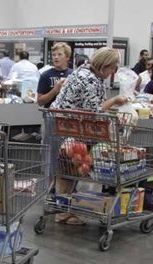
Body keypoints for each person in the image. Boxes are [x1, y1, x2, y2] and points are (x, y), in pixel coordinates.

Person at [52, 47, 128, 225]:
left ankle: (63, 208)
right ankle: (62, 212)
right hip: (70, 127)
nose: (113, 72)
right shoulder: (89, 79)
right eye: (113, 68)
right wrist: (116, 101)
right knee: (68, 169)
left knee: (68, 169)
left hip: (66, 126)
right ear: (105, 65)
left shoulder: (85, 72)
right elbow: (94, 111)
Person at [37, 42, 73, 108]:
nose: (56, 57)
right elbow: (40, 101)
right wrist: (55, 90)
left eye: (59, 54)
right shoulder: (45, 75)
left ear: (67, 57)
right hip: (50, 115)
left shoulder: (73, 75)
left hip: (69, 114)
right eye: (54, 55)